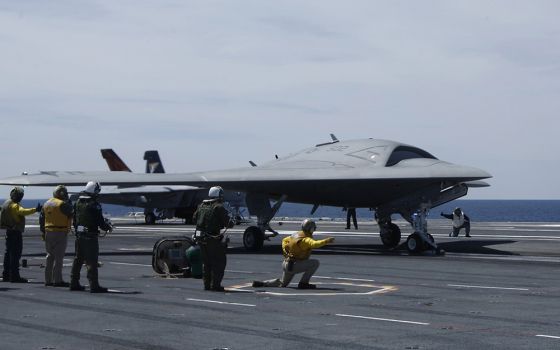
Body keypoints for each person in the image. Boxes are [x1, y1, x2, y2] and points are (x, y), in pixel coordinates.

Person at [252, 219, 334, 289]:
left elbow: (284, 240)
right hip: (295, 265)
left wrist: (285, 250)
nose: (314, 230)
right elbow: (315, 244)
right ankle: (303, 283)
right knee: (315, 263)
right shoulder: (305, 240)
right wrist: (327, 241)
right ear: (311, 229)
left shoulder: (295, 235)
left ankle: (263, 283)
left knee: (282, 283)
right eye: (314, 228)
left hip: (286, 264)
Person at [70, 181, 113, 293]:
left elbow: (74, 219)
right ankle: (94, 285)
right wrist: (108, 227)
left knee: (78, 259)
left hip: (79, 235)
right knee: (92, 261)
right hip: (90, 236)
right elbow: (100, 222)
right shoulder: (94, 204)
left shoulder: (78, 202)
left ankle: (73, 282)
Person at [192, 186, 233, 292]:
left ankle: (206, 285)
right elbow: (228, 223)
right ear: (219, 195)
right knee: (218, 262)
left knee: (206, 263)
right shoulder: (218, 207)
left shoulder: (201, 206)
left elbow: (194, 219)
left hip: (201, 239)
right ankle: (215, 285)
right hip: (213, 239)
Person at [0, 187, 41, 283]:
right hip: (15, 232)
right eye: (20, 196)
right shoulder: (14, 206)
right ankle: (14, 276)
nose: (20, 198)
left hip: (9, 231)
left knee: (8, 254)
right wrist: (35, 209)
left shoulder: (6, 203)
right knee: (15, 254)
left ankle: (6, 275)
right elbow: (23, 211)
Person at [40, 185, 73, 287]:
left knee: (49, 256)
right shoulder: (62, 204)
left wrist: (43, 232)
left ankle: (48, 280)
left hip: (48, 231)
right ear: (62, 193)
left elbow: (42, 219)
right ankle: (57, 280)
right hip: (60, 232)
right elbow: (72, 213)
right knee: (59, 258)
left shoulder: (46, 203)